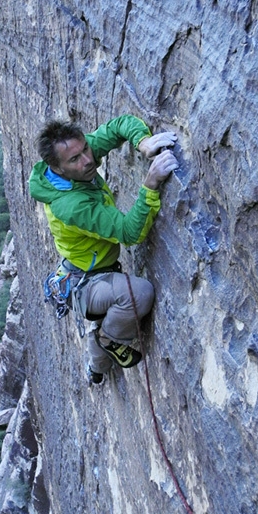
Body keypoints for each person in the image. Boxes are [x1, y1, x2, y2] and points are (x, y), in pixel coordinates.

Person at [29, 114, 178, 384]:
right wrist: (151, 184)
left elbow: (118, 126)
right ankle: (109, 339)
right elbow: (129, 232)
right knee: (138, 294)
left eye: (85, 148)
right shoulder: (71, 206)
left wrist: (143, 142)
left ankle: (96, 369)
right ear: (58, 168)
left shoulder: (76, 158)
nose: (87, 160)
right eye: (75, 159)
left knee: (108, 316)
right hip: (87, 281)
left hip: (89, 269)